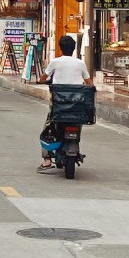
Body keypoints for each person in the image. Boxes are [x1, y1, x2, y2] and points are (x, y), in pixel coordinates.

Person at [40, 34, 92, 170]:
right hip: (77, 105)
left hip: (58, 106)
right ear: (74, 49)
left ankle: (46, 160)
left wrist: (41, 80)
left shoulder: (55, 62)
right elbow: (89, 83)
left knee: (47, 130)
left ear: (60, 49)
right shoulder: (80, 63)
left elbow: (42, 78)